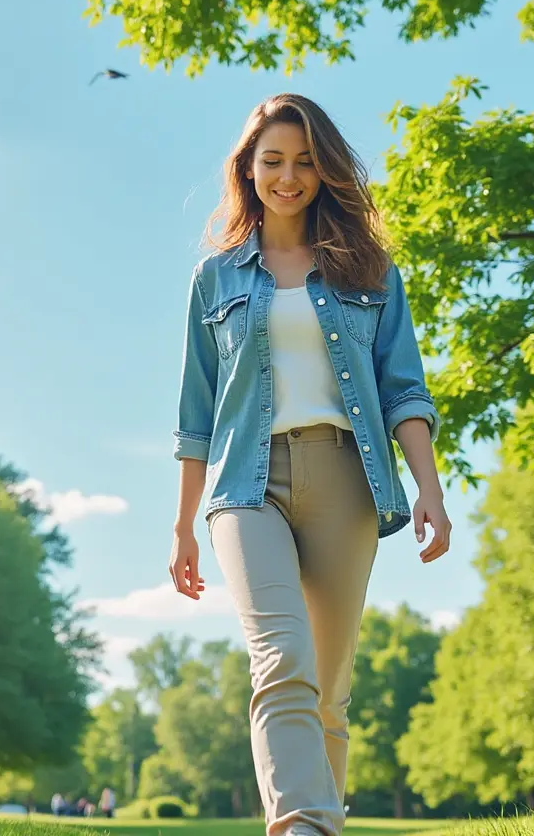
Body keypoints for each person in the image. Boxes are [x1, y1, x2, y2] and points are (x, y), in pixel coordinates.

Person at [169, 94, 450, 836]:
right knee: (281, 656)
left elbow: (404, 389)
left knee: (327, 687)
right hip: (243, 486)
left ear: (323, 170)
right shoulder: (216, 280)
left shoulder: (370, 271)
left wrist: (429, 489)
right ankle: (303, 826)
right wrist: (182, 527)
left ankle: (320, 822)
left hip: (346, 480)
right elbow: (195, 417)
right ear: (249, 170)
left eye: (303, 161)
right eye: (273, 161)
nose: (288, 176)